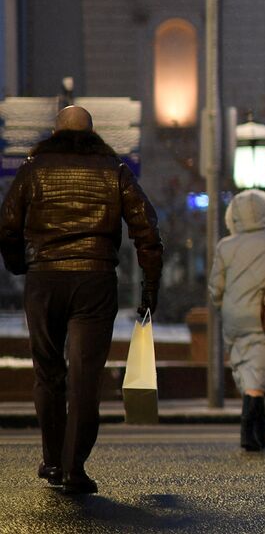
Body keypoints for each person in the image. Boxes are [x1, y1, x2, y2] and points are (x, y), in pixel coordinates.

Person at [0, 106, 163, 495]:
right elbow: (147, 231)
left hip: (44, 281)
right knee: (84, 379)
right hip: (94, 281)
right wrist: (150, 290)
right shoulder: (114, 171)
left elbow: (7, 225)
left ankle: (52, 460)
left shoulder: (32, 170)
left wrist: (21, 264)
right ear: (93, 132)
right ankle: (75, 467)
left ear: (55, 133)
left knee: (48, 374)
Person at [208, 189, 265, 452]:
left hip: (234, 318)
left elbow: (216, 288)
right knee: (258, 377)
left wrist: (223, 308)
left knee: (248, 372)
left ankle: (259, 426)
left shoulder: (225, 246)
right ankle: (249, 432)